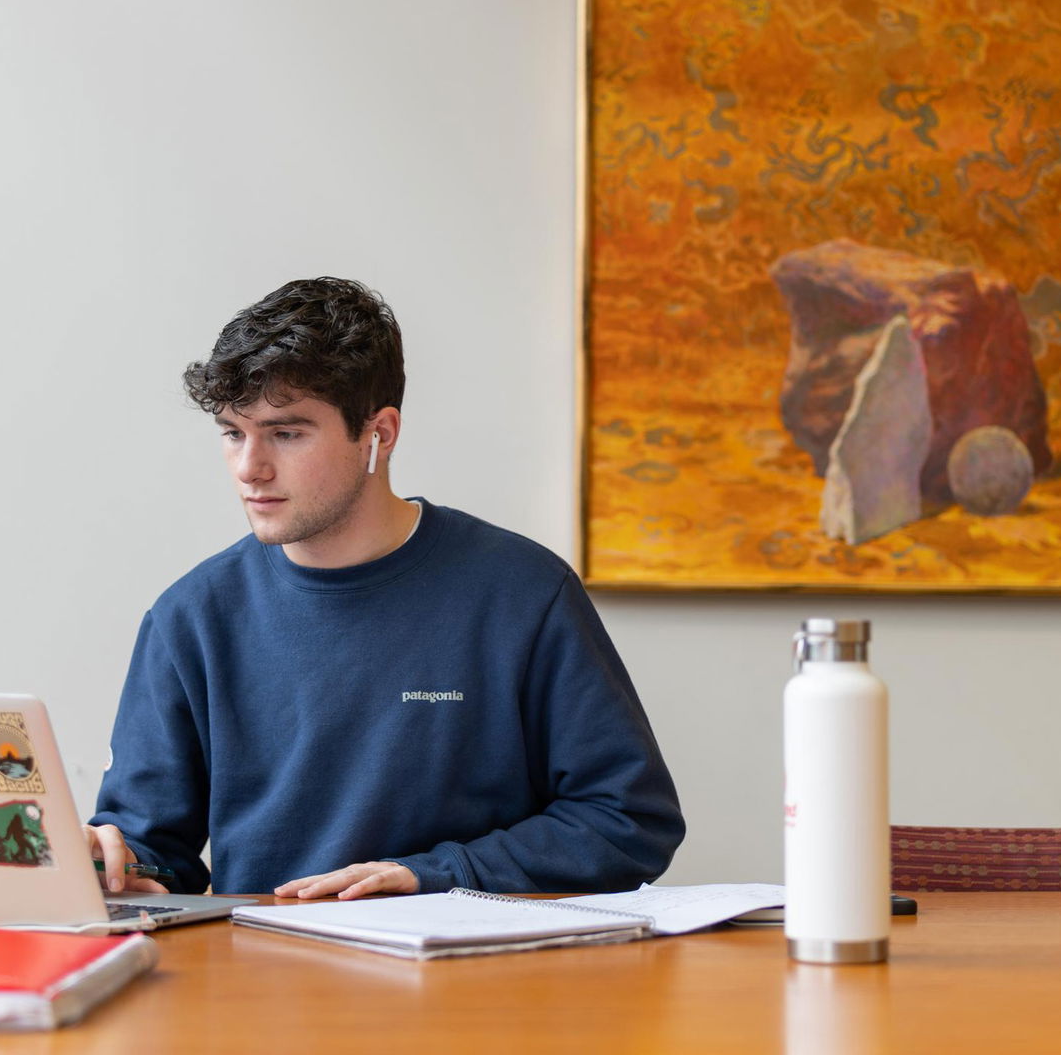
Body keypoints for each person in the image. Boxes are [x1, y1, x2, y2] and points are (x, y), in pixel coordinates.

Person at [87, 277, 683, 899]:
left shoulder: (524, 594)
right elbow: (155, 854)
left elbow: (628, 821)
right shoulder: (190, 618)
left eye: (286, 433)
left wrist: (431, 875)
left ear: (380, 433)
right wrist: (121, 868)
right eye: (234, 433)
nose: (249, 468)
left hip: (477, 979)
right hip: (267, 981)